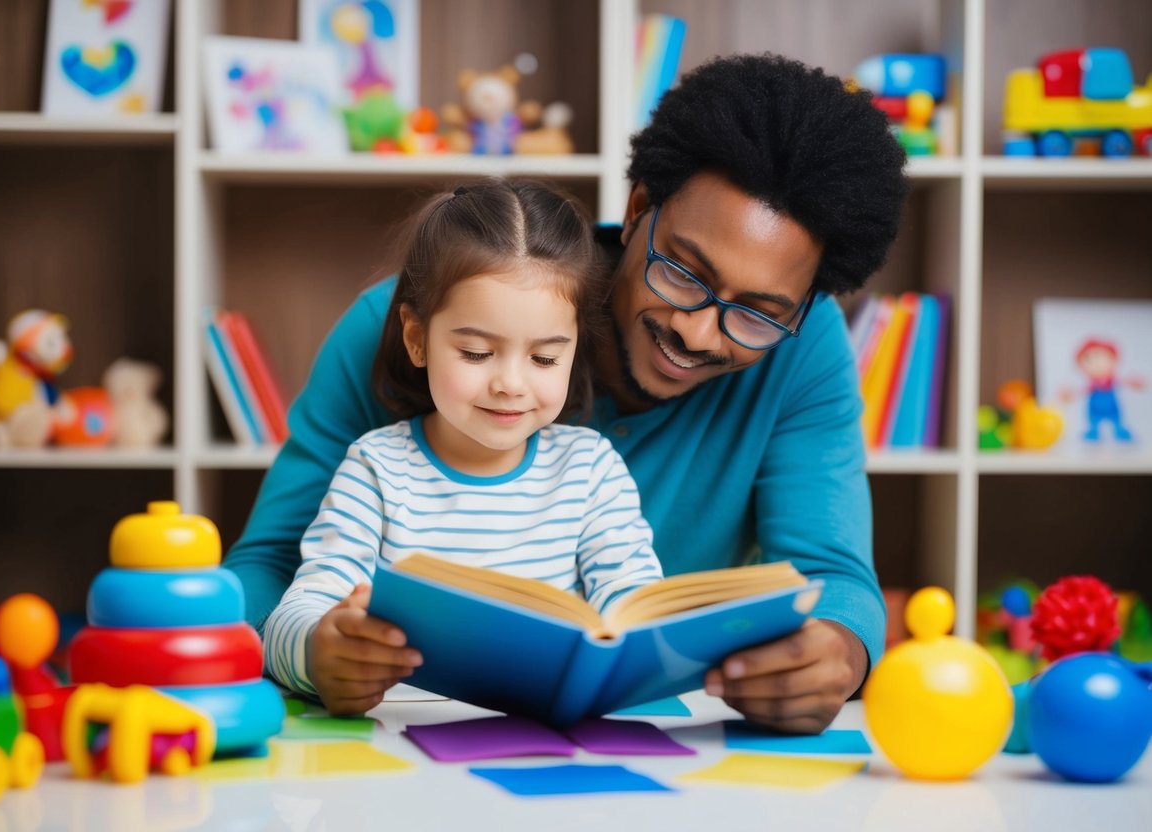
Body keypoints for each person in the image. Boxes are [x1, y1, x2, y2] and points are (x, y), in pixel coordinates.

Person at [226, 52, 908, 733]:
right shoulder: (410, 320)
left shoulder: (805, 346)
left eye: (758, 312)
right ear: (639, 205)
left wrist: (834, 657)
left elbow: (833, 577)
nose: (698, 333)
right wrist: (317, 652)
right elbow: (270, 564)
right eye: (683, 271)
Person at [261, 180, 664, 711]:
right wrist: (320, 653)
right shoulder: (377, 468)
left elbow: (636, 603)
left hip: (549, 752)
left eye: (545, 359)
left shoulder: (590, 470)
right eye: (476, 353)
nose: (511, 384)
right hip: (404, 751)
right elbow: (297, 611)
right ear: (417, 338)